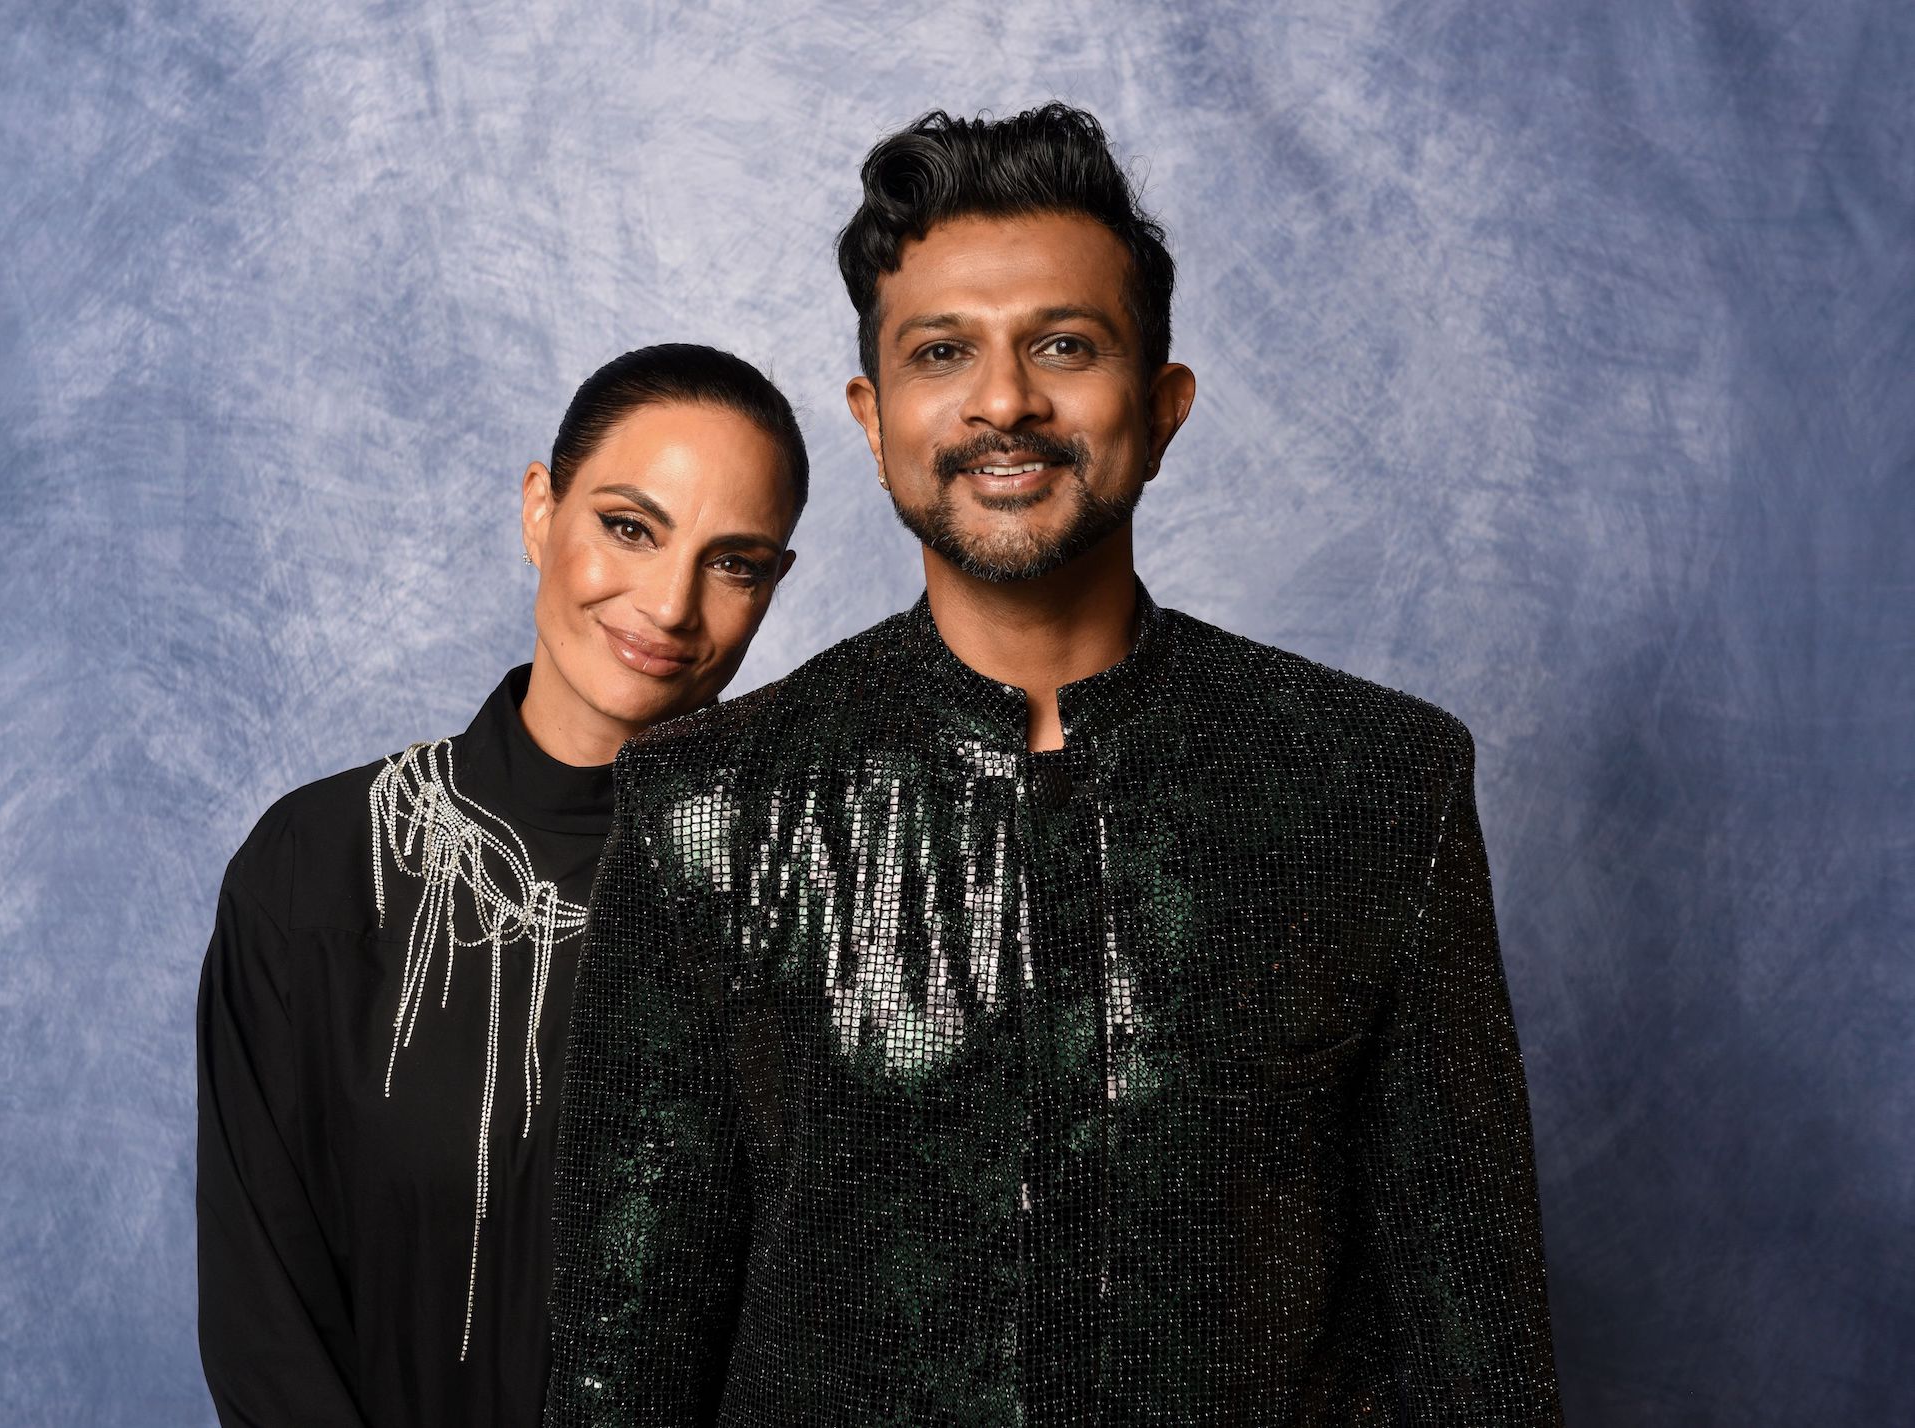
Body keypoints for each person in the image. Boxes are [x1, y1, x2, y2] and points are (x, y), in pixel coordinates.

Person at [545, 106, 1563, 1426]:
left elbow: (1479, 1370)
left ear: (1164, 400)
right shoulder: (709, 811)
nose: (1005, 400)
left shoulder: (1376, 784)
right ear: (874, 415)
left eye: (1066, 346)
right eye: (942, 351)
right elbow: (616, 1376)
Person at [196, 344, 806, 1427]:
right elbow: (265, 1321)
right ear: (541, 510)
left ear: (772, 586)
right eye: (630, 527)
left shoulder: (811, 895)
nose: (667, 604)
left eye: (733, 561)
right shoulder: (318, 866)